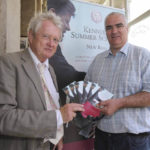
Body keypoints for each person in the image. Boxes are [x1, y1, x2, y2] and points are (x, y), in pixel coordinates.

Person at [0, 12, 84, 150]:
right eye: (46, 36)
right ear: (31, 36)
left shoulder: (50, 70)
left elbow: (51, 105)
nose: (51, 44)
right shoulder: (8, 63)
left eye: (56, 40)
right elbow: (4, 117)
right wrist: (59, 117)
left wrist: (58, 134)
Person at [85, 12, 150, 150]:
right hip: (102, 138)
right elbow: (87, 92)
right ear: (105, 32)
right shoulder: (97, 60)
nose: (114, 31)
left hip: (133, 141)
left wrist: (119, 103)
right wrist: (90, 106)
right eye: (109, 27)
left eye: (119, 26)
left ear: (127, 28)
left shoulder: (143, 56)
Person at [47, 0, 86, 106]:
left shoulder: (56, 48)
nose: (69, 27)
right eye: (66, 21)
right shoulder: (49, 49)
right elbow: (68, 77)